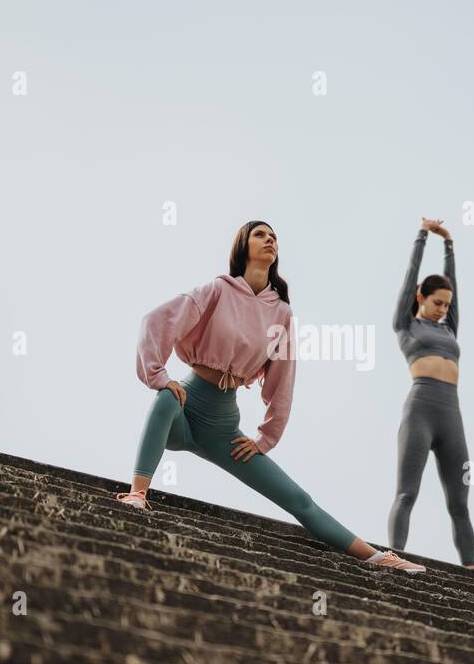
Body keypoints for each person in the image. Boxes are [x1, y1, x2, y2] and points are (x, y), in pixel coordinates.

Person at [116, 219, 426, 572]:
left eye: (274, 237)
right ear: (242, 245)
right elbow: (157, 320)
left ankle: (378, 557)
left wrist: (266, 437)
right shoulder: (218, 290)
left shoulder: (281, 311)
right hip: (185, 411)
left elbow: (283, 378)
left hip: (223, 428)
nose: (270, 240)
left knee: (297, 498)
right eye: (261, 234)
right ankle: (137, 494)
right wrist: (159, 376)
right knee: (166, 398)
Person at [387, 217, 474, 568]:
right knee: (407, 492)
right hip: (420, 409)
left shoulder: (449, 328)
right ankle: (396, 558)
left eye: (446, 304)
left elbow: (454, 288)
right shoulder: (405, 323)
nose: (442, 309)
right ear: (420, 298)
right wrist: (422, 236)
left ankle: (472, 571)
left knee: (460, 503)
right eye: (437, 302)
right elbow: (410, 275)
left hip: (451, 415)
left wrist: (450, 244)